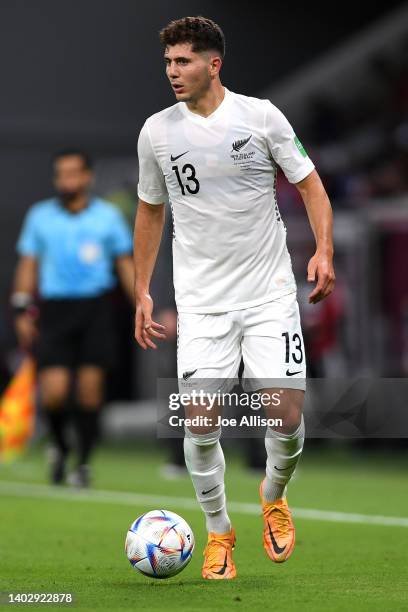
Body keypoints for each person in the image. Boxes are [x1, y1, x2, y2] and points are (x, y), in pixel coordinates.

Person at [133, 17, 335, 580]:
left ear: (213, 64)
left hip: (269, 294)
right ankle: (220, 531)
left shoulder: (261, 116)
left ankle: (273, 495)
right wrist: (143, 291)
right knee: (198, 423)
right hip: (201, 303)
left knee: (287, 412)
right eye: (169, 62)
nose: (173, 72)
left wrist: (324, 251)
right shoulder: (156, 132)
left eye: (183, 61)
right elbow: (151, 210)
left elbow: (310, 183)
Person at [12, 149, 134, 487]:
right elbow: (28, 264)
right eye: (60, 174)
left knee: (90, 392)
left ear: (86, 177)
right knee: (53, 392)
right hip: (55, 310)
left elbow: (124, 262)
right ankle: (60, 446)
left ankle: (83, 462)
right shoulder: (40, 217)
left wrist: (142, 303)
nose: (66, 180)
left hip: (95, 309)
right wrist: (22, 307)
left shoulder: (107, 217)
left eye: (72, 173)